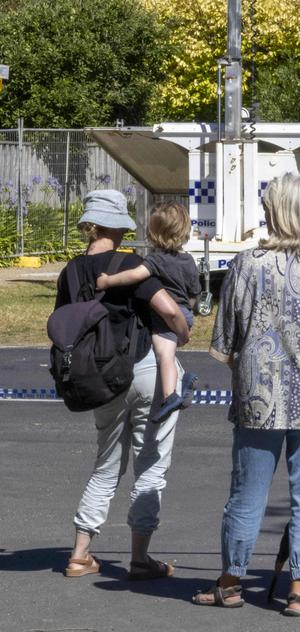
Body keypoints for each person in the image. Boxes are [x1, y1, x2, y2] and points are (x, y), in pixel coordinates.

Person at [194, 173, 300, 615]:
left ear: (279, 212)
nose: (263, 213)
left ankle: (230, 582)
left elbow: (226, 341)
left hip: (257, 399)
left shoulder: (248, 264)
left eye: (268, 206)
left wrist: (253, 368)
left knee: (247, 493)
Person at [56, 189, 190, 580]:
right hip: (145, 366)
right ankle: (140, 557)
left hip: (99, 377)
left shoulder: (71, 272)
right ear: (118, 226)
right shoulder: (128, 263)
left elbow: (63, 323)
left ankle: (80, 553)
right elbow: (166, 307)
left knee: (106, 465)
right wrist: (182, 332)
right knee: (151, 465)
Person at [97, 201, 200, 423]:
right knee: (170, 353)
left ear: (154, 234)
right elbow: (194, 293)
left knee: (164, 356)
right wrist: (187, 311)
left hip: (166, 316)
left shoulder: (155, 260)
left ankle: (170, 395)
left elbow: (134, 276)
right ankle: (182, 381)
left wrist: (108, 281)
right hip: (186, 312)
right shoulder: (189, 261)